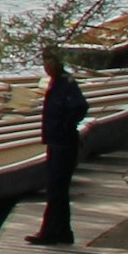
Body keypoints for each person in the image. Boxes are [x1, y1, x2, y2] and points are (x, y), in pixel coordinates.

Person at [29, 46, 88, 243]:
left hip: (64, 143)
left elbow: (80, 107)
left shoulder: (67, 83)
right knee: (57, 189)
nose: (46, 68)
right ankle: (63, 232)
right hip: (55, 141)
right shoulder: (55, 83)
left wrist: (65, 126)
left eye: (48, 63)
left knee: (56, 188)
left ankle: (49, 232)